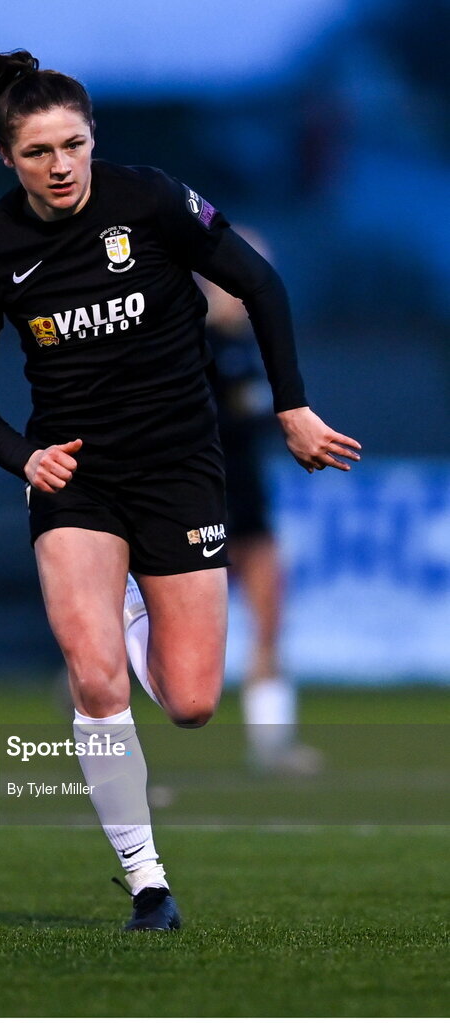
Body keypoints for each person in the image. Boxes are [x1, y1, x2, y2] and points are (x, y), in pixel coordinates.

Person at [0, 44, 361, 932]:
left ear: (94, 137)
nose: (59, 167)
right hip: (77, 481)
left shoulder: (153, 199)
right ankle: (149, 885)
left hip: (180, 470)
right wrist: (21, 456)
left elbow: (261, 282)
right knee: (95, 682)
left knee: (193, 702)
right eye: (36, 153)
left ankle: (131, 600)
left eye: (72, 144)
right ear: (6, 157)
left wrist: (293, 409)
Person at [198, 232, 323, 775]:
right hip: (197, 509)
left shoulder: (250, 348)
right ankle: (88, 710)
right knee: (159, 635)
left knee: (271, 621)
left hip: (251, 508)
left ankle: (271, 743)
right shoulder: (189, 344)